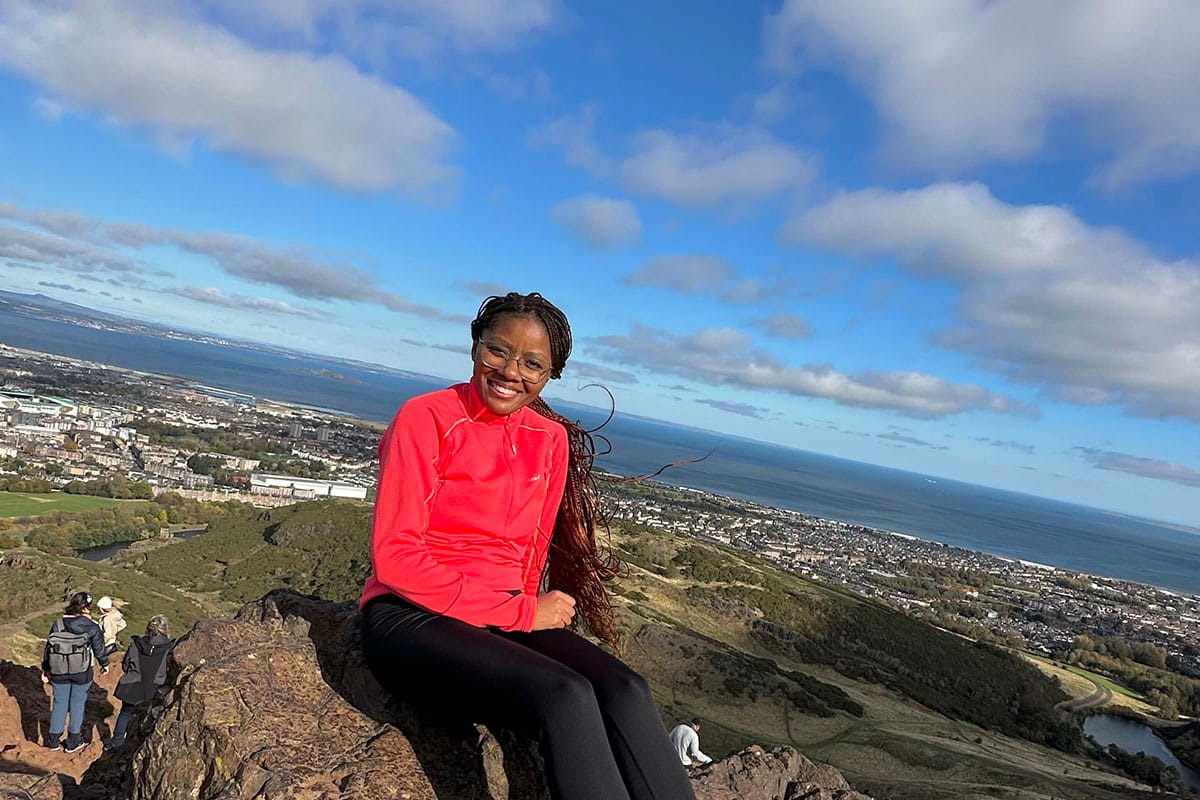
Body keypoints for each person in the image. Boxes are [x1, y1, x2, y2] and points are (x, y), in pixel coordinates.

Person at [361, 292, 696, 800]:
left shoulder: (550, 440)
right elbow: (397, 558)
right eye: (497, 350)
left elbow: (530, 551)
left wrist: (520, 611)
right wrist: (521, 613)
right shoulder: (425, 417)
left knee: (627, 690)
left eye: (532, 363)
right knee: (566, 694)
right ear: (475, 345)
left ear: (550, 374)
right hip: (410, 616)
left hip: (500, 617)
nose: (510, 371)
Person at [42, 591, 109, 753]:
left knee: (59, 704)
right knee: (77, 705)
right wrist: (105, 664)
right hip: (82, 672)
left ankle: (53, 741)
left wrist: (46, 669)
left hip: (59, 671)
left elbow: (49, 648)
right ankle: (73, 742)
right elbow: (99, 649)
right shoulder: (92, 626)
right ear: (85, 608)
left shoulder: (58, 623)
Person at [107, 614, 174, 750]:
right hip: (154, 689)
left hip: (132, 685)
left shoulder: (136, 644)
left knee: (125, 713)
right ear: (165, 629)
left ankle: (117, 742)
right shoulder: (169, 648)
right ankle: (138, 747)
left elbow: (126, 665)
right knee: (147, 719)